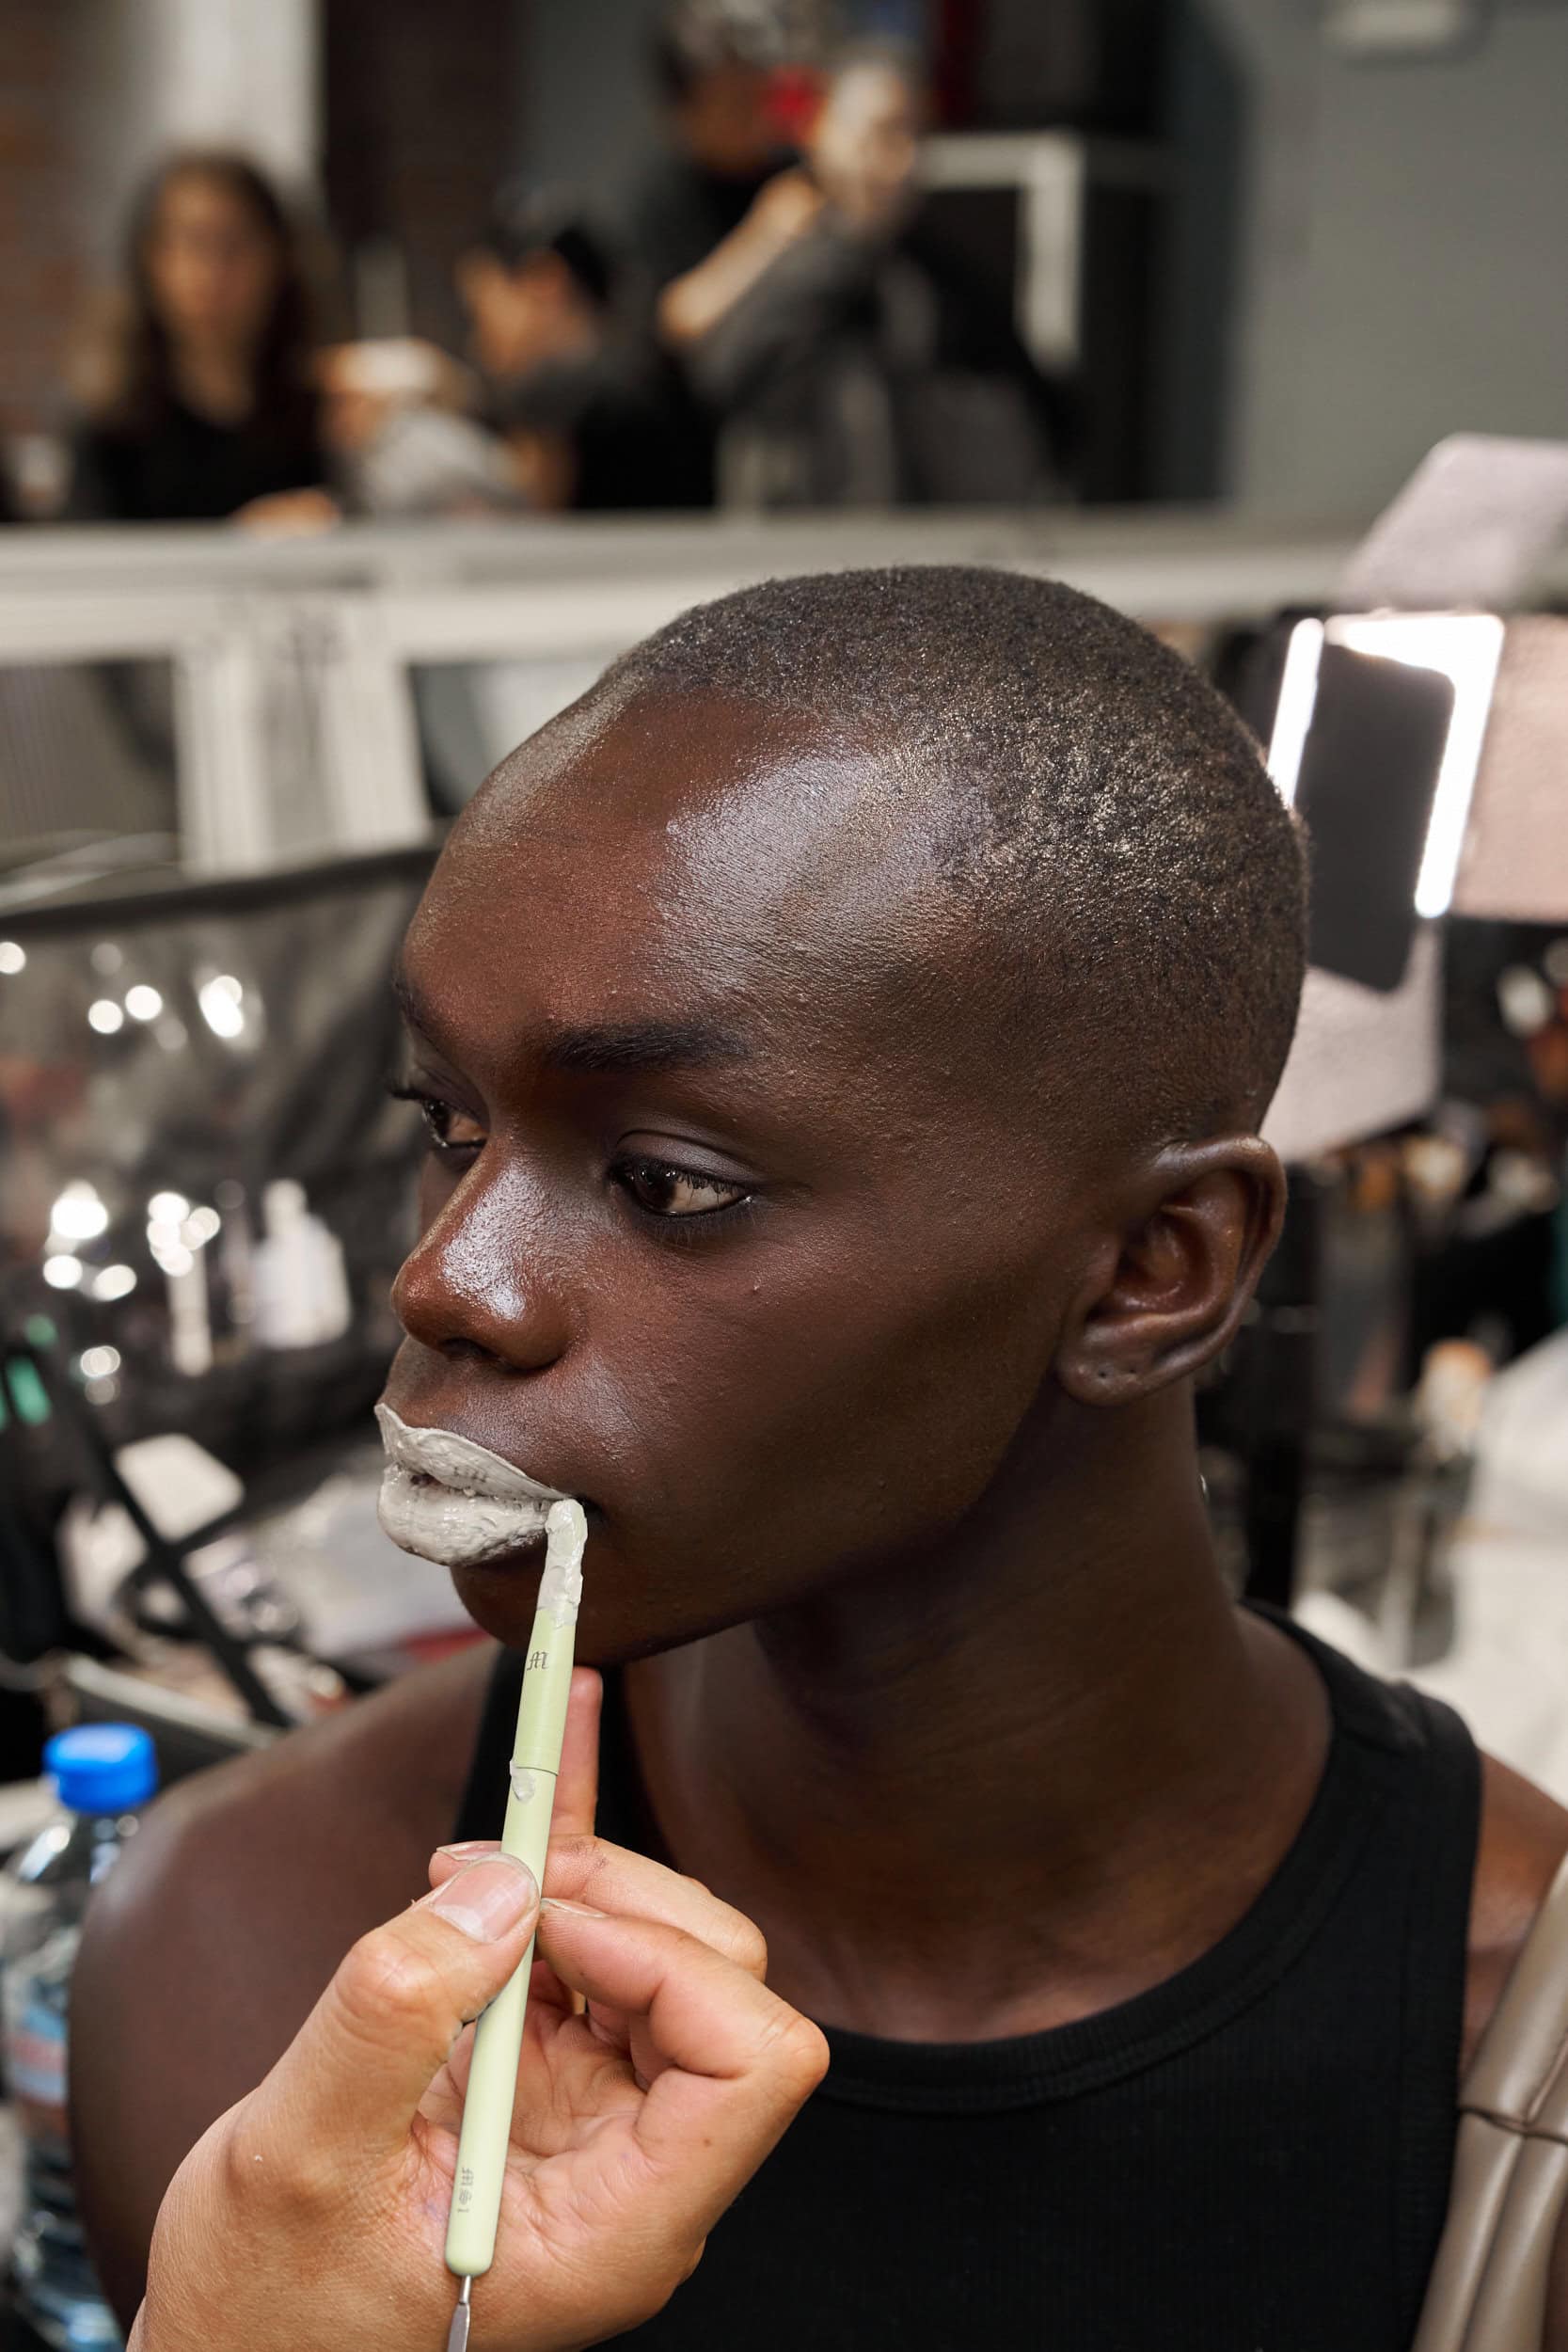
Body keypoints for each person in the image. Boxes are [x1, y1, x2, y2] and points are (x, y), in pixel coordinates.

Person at [71, 567, 1568, 2349]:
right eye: (448, 1129)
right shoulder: (263, 1963)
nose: (446, 1280)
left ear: (1148, 1273)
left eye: (666, 1185)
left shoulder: (1518, 2081)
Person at [659, 46, 1069, 504]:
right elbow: (719, 376)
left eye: (915, 136)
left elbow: (1043, 410)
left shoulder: (941, 276)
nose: (899, 160)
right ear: (821, 133)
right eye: (879, 134)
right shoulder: (787, 248)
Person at [67, 151, 334, 531]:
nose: (211, 274)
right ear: (152, 260)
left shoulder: (325, 418)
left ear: (279, 258)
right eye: (192, 243)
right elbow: (81, 572)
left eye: (233, 245)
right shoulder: (110, 430)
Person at [454, 187, 713, 512]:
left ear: (544, 282)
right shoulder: (657, 367)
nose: (476, 342)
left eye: (479, 312)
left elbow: (521, 523)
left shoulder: (553, 393)